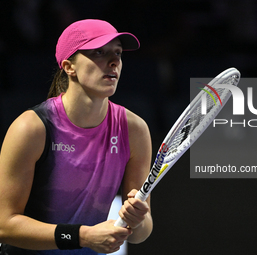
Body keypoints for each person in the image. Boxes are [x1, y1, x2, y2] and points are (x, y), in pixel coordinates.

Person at [0, 19, 153, 254]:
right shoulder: (31, 128)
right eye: (99, 53)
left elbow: (140, 235)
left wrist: (138, 219)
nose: (114, 62)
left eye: (118, 53)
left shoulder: (134, 130)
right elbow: (4, 225)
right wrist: (83, 236)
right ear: (69, 66)